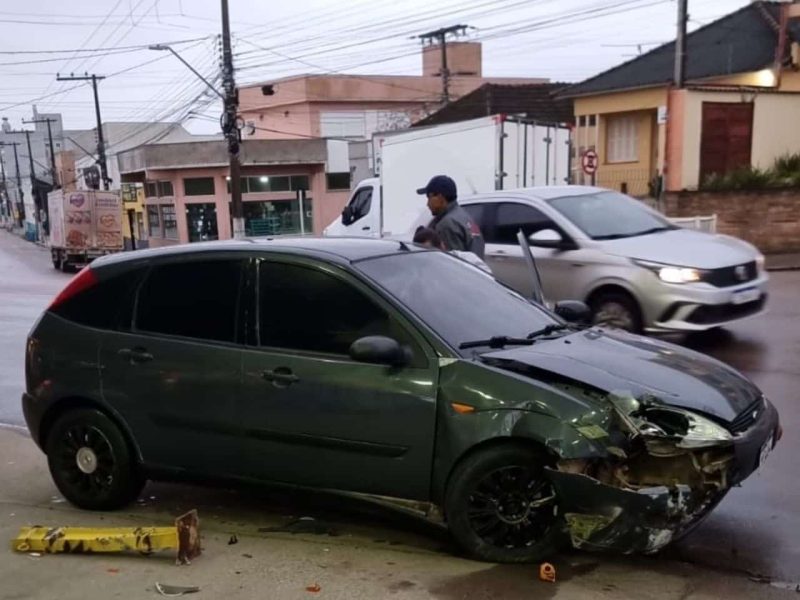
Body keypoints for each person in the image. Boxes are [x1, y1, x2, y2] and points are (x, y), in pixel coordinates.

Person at [416, 175, 485, 259]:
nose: (427, 204)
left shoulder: (447, 224)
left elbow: (451, 264)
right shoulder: (464, 217)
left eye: (429, 197)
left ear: (440, 197)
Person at [413, 226, 493, 275]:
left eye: (430, 253)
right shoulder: (423, 275)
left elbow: (488, 279)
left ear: (442, 246)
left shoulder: (467, 260)